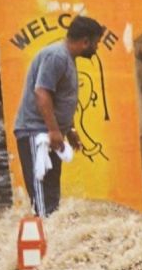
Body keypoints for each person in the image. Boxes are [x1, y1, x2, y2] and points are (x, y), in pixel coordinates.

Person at [13, 15, 104, 217]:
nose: (97, 48)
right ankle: (38, 243)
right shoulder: (57, 56)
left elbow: (59, 99)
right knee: (42, 198)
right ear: (85, 42)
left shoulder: (66, 59)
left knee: (52, 197)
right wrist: (54, 130)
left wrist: (69, 130)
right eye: (96, 43)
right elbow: (42, 92)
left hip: (50, 132)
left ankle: (51, 242)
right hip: (36, 133)